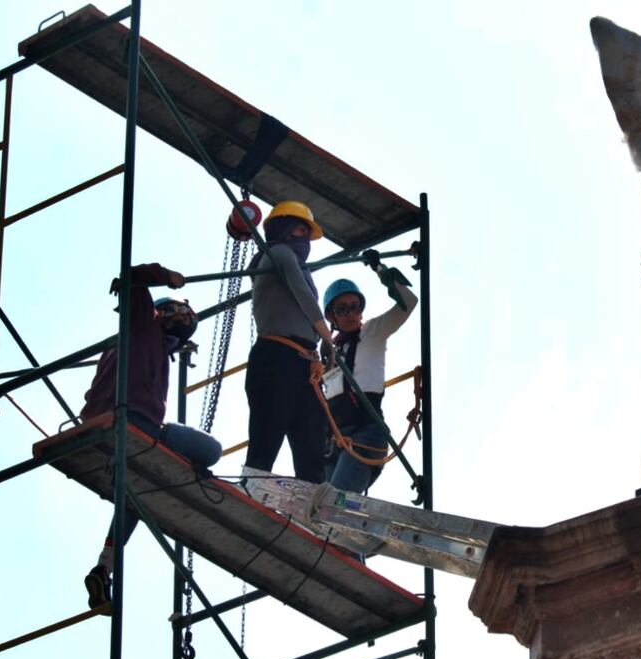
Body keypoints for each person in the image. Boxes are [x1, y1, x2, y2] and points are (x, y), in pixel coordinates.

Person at [81, 263, 223, 613]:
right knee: (212, 450)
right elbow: (130, 277)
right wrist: (166, 275)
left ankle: (104, 567)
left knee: (135, 498)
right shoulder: (142, 323)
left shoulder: (152, 343)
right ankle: (167, 442)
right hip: (129, 422)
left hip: (125, 424)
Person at [243, 201, 336, 485]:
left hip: (303, 366)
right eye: (299, 228)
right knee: (267, 439)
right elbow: (301, 296)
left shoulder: (298, 265)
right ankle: (252, 491)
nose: (304, 237)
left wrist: (319, 347)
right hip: (276, 358)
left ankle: (313, 509)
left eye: (307, 233)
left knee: (311, 445)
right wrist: (327, 337)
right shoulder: (278, 253)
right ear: (282, 229)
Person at [322, 250, 418, 494]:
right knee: (316, 501)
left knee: (334, 501)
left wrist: (381, 271)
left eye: (354, 307)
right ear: (332, 316)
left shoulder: (374, 331)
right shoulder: (329, 353)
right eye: (342, 310)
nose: (351, 314)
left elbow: (409, 303)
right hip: (333, 439)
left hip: (366, 432)